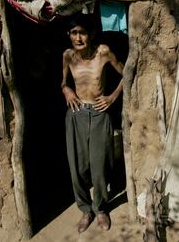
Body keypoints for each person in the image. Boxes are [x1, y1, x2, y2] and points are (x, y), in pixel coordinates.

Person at [61, 17, 123, 233]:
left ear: (91, 34)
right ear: (69, 36)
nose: (78, 37)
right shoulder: (68, 56)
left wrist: (113, 97)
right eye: (73, 33)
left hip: (99, 114)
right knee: (77, 167)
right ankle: (86, 209)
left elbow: (126, 73)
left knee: (99, 166)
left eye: (82, 33)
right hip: (76, 114)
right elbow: (63, 82)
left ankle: (101, 209)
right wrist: (66, 89)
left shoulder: (103, 52)